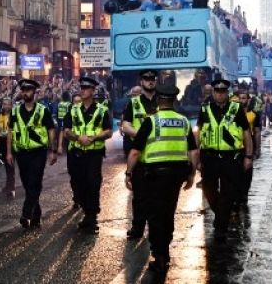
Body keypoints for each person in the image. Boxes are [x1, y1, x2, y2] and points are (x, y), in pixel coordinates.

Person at [124, 83, 198, 273]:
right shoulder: (183, 121)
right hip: (176, 176)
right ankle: (165, 249)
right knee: (168, 212)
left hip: (154, 176)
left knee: (155, 216)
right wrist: (192, 173)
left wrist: (129, 173)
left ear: (157, 100)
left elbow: (134, 153)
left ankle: (160, 255)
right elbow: (193, 151)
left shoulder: (151, 121)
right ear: (174, 101)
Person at [197, 79, 253, 241]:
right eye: (217, 92)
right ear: (213, 93)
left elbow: (246, 134)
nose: (220, 94)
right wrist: (197, 157)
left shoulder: (236, 109)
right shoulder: (205, 109)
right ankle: (222, 216)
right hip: (210, 157)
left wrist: (248, 156)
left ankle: (220, 226)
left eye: (223, 92)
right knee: (209, 190)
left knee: (228, 193)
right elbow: (199, 132)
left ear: (227, 93)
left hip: (231, 158)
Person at [6, 79, 57, 229]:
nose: (25, 92)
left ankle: (26, 213)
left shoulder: (43, 110)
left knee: (35, 182)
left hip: (38, 152)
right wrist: (9, 152)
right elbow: (10, 132)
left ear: (35, 92)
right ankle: (37, 214)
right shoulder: (15, 111)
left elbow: (51, 130)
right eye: (23, 90)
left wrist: (52, 151)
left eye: (28, 90)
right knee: (28, 185)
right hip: (21, 153)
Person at [64, 77, 112, 233]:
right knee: (78, 184)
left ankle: (92, 218)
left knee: (93, 183)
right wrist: (78, 138)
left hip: (94, 153)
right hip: (76, 153)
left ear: (92, 91)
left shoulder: (101, 110)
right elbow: (66, 131)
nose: (82, 90)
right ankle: (87, 214)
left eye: (86, 88)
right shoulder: (73, 109)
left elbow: (109, 131)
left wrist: (93, 138)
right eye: (81, 88)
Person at [121, 70, 158, 239]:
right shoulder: (133, 103)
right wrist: (140, 135)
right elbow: (125, 125)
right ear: (141, 81)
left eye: (152, 79)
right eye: (146, 79)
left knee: (157, 197)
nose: (150, 82)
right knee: (139, 196)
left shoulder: (163, 101)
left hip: (159, 156)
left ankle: (156, 229)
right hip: (140, 157)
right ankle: (137, 228)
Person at [0, 99, 16, 199]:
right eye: (4, 104)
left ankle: (11, 188)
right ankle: (8, 185)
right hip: (2, 142)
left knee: (10, 166)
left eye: (8, 104)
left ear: (11, 105)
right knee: (6, 166)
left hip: (12, 143)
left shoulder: (14, 116)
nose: (6, 106)